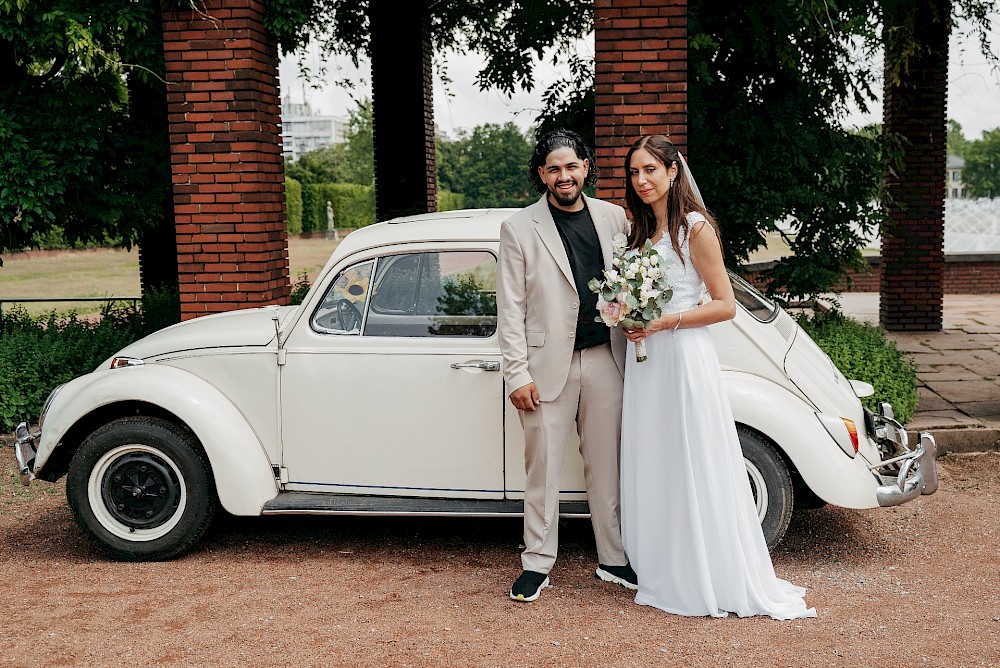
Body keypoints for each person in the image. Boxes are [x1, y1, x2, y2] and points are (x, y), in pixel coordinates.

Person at [618, 134, 816, 620]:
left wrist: (666, 321)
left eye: (649, 170)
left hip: (683, 357)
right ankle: (664, 563)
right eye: (634, 172)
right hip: (648, 363)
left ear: (672, 172)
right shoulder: (640, 232)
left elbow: (725, 305)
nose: (641, 180)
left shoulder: (695, 229)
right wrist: (626, 314)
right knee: (657, 457)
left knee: (691, 456)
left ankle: (706, 572)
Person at [497, 129, 638, 602]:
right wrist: (517, 373)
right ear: (542, 174)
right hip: (543, 369)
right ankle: (537, 562)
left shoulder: (614, 219)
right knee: (543, 470)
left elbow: (635, 282)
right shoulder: (519, 228)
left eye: (572, 166)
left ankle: (614, 559)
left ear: (585, 167)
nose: (564, 176)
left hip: (606, 360)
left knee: (606, 466)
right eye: (554, 168)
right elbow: (510, 308)